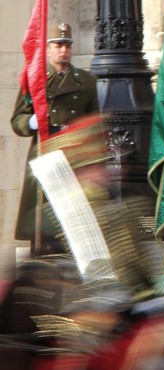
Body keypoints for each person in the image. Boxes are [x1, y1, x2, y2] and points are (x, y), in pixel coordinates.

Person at [10, 23, 99, 255]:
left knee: (69, 223)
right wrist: (33, 122)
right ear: (48, 49)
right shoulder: (35, 80)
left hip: (72, 157)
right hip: (44, 153)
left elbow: (92, 122)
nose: (63, 50)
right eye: (58, 45)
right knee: (41, 223)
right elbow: (17, 119)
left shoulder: (87, 82)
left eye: (67, 45)